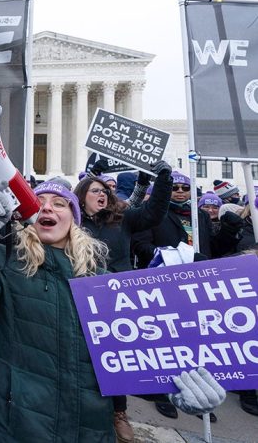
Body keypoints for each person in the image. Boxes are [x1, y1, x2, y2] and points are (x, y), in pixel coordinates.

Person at [0, 181, 227, 441]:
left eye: (59, 203)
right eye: (39, 201)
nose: (47, 207)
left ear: (74, 219)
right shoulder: (6, 260)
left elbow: (133, 358)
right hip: (11, 426)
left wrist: (176, 387)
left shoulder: (103, 280)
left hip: (89, 429)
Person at [73, 162, 172, 442]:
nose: (102, 194)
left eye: (105, 190)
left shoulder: (123, 219)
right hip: (79, 296)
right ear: (82, 196)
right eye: (95, 190)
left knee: (113, 358)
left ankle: (119, 413)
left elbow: (153, 213)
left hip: (116, 300)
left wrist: (163, 179)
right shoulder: (71, 221)